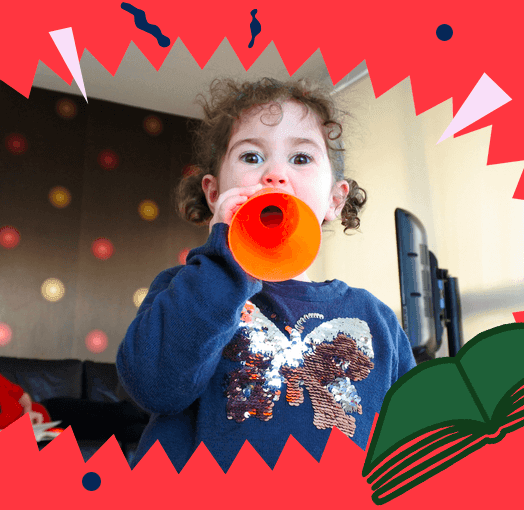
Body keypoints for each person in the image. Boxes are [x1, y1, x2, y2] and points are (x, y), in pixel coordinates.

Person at [116, 77, 417, 472]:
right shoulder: (184, 289)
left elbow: (412, 439)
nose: (274, 175)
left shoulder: (375, 318)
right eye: (251, 157)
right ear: (213, 193)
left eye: (301, 158)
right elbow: (154, 387)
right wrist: (224, 260)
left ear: (334, 200)